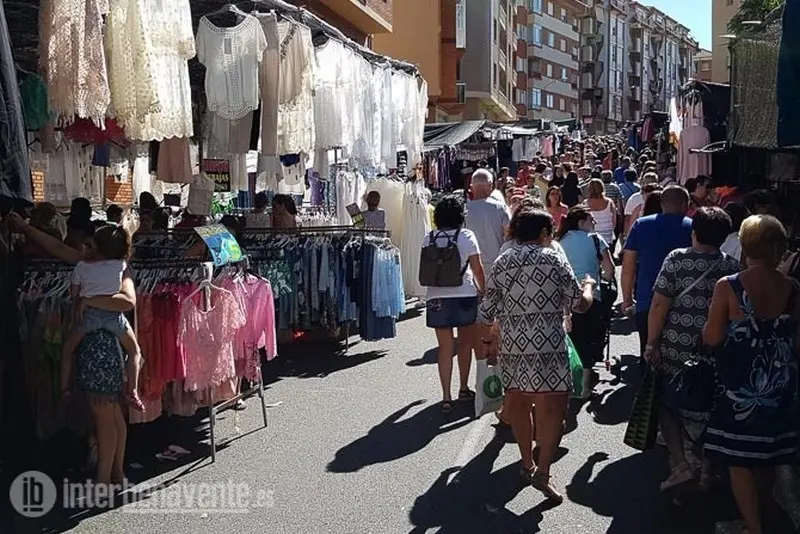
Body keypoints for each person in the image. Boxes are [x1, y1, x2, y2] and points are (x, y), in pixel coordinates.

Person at [9, 213, 137, 487]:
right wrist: (25, 227)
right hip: (109, 348)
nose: (83, 247)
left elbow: (128, 301)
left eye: (90, 244)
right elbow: (57, 248)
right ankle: (116, 473)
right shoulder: (114, 265)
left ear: (96, 248)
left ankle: (104, 480)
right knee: (113, 415)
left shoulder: (101, 268)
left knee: (104, 417)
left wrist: (87, 299)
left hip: (99, 351)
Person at [479, 209, 595, 502]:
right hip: (550, 345)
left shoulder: (504, 261)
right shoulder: (554, 257)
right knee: (554, 408)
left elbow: (486, 310)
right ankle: (543, 470)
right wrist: (590, 286)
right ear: (545, 233)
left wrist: (488, 340)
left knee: (518, 402)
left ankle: (526, 463)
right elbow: (579, 304)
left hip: (515, 345)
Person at [703, 215, 800, 534]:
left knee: (739, 457)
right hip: (781, 377)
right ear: (778, 248)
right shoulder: (792, 287)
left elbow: (714, 337)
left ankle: (753, 525)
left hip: (740, 381)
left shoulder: (728, 286)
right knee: (769, 451)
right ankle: (767, 513)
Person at [645, 207, 740, 491]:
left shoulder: (676, 260)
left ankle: (681, 463)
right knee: (710, 404)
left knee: (669, 403)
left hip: (676, 344)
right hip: (714, 348)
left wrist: (652, 342)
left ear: (694, 232)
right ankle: (707, 467)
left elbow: (659, 305)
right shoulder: (732, 267)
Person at [421, 195, 485, 413]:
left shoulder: (428, 237)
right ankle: (464, 388)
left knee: (445, 348)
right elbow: (477, 269)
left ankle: (446, 395)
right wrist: (483, 291)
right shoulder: (466, 236)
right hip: (464, 294)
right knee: (465, 344)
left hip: (436, 296)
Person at [622, 186, 693, 356]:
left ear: (662, 204)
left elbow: (628, 266)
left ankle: (648, 380)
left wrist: (626, 299)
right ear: (685, 204)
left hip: (647, 299)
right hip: (684, 301)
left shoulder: (642, 225)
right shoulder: (693, 227)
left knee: (647, 352)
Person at [558, 207, 615, 395]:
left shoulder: (561, 242)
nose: (594, 224)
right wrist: (603, 278)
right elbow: (609, 269)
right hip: (591, 294)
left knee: (572, 338)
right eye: (591, 220)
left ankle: (568, 379)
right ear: (581, 222)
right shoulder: (595, 239)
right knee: (590, 338)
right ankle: (585, 386)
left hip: (565, 297)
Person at [465, 169, 510, 272]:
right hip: (498, 263)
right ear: (490, 185)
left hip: (472, 266)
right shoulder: (500, 207)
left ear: (471, 187)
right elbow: (509, 234)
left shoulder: (464, 210)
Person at [586, 179, 616, 247]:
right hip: (607, 234)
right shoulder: (609, 202)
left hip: (592, 234)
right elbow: (614, 220)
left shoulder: (585, 203)